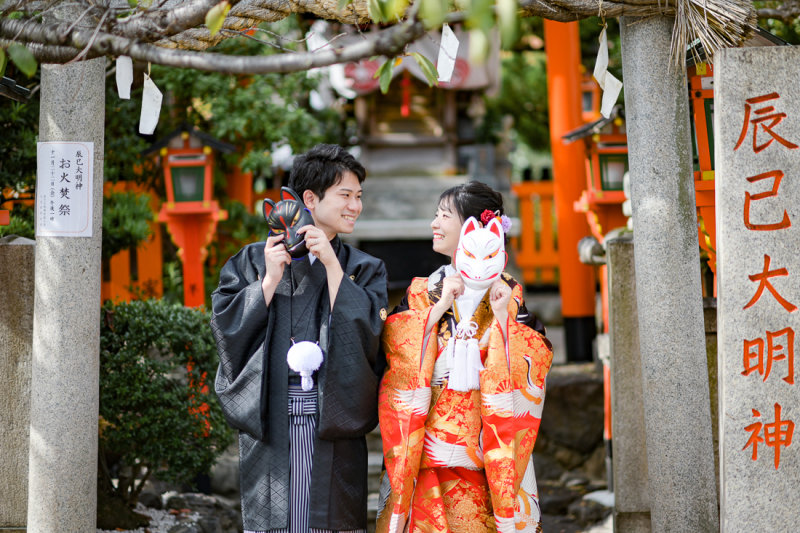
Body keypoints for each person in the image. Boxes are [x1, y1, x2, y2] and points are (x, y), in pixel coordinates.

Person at [211, 144, 389, 533]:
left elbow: (371, 336)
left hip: (332, 418)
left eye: (359, 197)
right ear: (310, 198)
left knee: (329, 519)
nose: (355, 206)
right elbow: (226, 329)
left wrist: (331, 265)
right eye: (345, 195)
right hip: (271, 414)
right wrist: (269, 282)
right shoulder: (253, 260)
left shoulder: (364, 268)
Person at [376, 181, 553, 533]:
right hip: (426, 454)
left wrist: (502, 319)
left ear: (474, 228)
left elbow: (532, 361)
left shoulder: (508, 299)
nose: (434, 223)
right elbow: (396, 349)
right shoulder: (423, 293)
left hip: (487, 459)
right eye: (436, 215)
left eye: (444, 215)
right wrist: (438, 309)